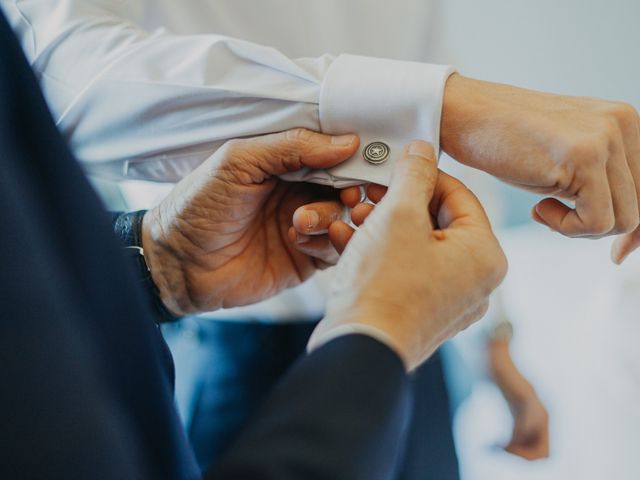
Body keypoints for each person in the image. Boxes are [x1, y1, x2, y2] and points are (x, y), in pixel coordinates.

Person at [3, 1, 638, 474]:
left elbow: (448, 149)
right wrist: (448, 107)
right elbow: (57, 75)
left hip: (421, 346)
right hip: (238, 345)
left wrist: (492, 339)